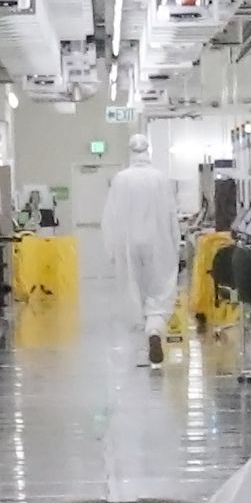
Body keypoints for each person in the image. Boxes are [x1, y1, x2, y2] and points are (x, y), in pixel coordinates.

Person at [98, 132, 181, 365]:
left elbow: (110, 217)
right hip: (158, 242)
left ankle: (139, 348)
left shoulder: (120, 179)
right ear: (148, 151)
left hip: (128, 244)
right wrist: (176, 246)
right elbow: (171, 214)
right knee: (159, 290)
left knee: (132, 291)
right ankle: (154, 332)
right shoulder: (161, 179)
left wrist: (112, 251)